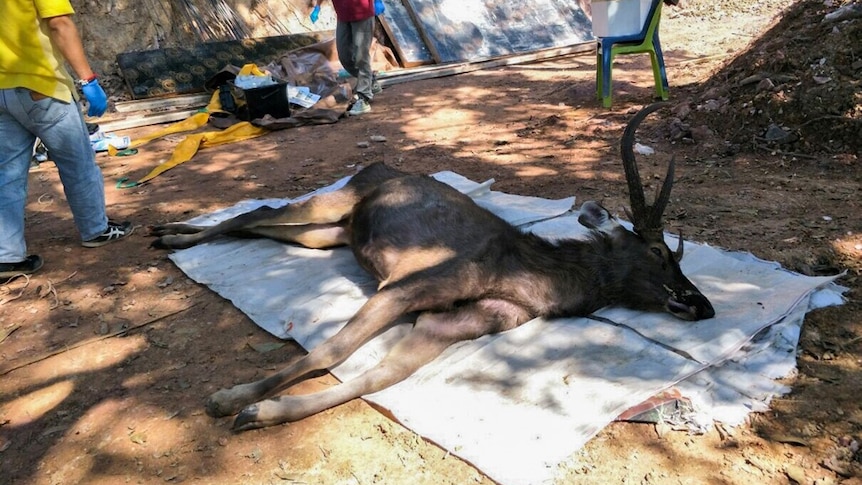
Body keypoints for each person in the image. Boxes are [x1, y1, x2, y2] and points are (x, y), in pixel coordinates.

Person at [0, 0, 134, 279]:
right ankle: (96, 229)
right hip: (42, 87)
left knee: (7, 175)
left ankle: (7, 255)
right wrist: (88, 80)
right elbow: (59, 23)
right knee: (78, 164)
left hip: (2, 91)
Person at [311, 0, 382, 116]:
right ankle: (371, 81)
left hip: (362, 14)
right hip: (343, 16)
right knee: (344, 56)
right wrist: (317, 7)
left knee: (361, 57)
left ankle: (364, 97)